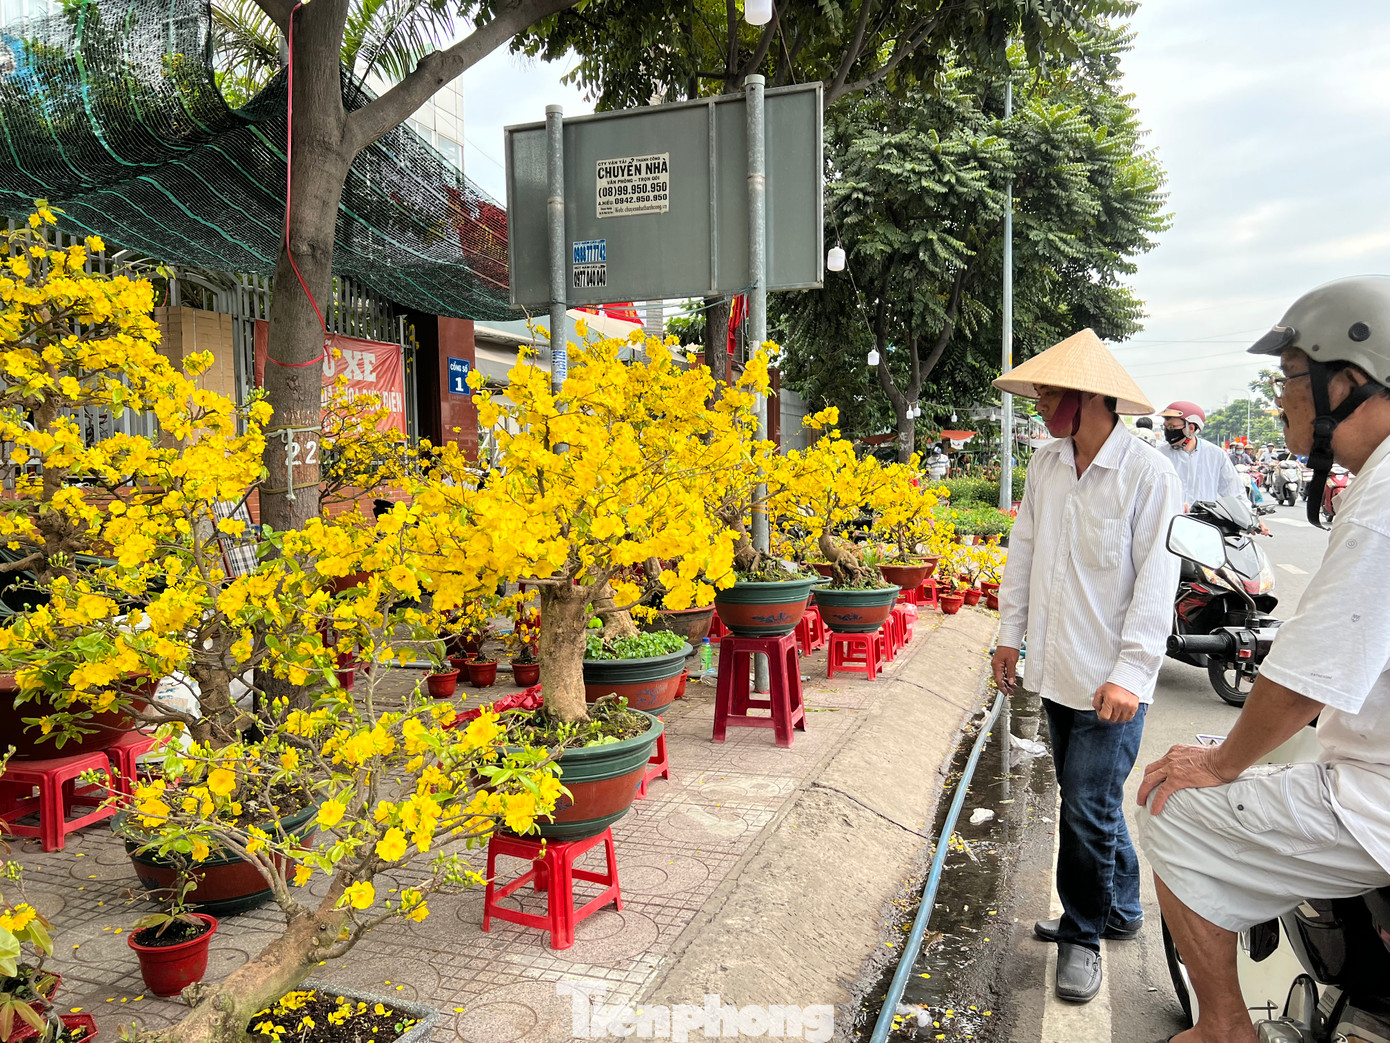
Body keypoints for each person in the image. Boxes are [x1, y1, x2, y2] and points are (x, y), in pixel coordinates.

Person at [1136, 276, 1390, 1043]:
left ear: (1346, 381)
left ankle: (1223, 1028)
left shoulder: (1380, 495)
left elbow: (1310, 673)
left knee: (1170, 801)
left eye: (1290, 381)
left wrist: (1221, 762)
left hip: (1375, 792)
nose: (1282, 401)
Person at [989, 329, 1182, 1004]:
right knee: (1088, 802)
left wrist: (1131, 672)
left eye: (1051, 392)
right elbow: (1024, 554)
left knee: (1089, 805)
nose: (1040, 403)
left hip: (1112, 682)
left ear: (1092, 397)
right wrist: (1008, 635)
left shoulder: (1149, 474)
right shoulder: (1046, 465)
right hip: (1056, 668)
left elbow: (1157, 583)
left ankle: (1083, 936)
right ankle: (1121, 906)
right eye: (1039, 391)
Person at [1157, 401, 1243, 509]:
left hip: (1205, 522)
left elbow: (1235, 493)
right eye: (1165, 427)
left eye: (1172, 427)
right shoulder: (1159, 455)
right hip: (1170, 521)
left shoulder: (1216, 455)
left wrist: (1251, 519)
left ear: (1191, 428)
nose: (1167, 432)